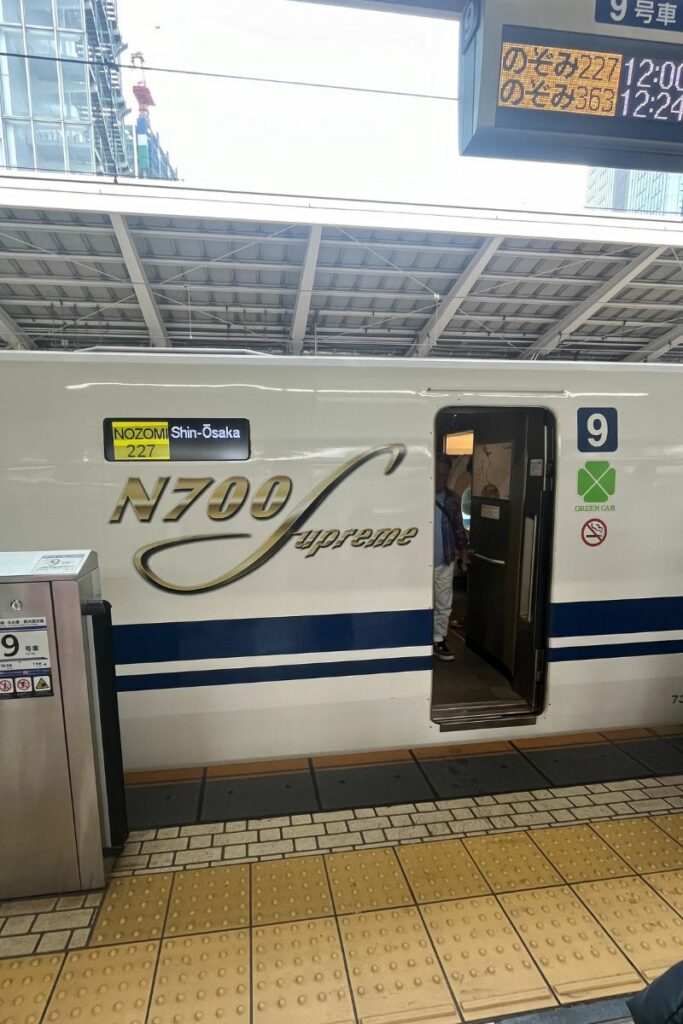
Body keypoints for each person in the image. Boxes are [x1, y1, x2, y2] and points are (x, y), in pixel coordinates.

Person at [434, 456, 469, 661]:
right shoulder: (417, 496)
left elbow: (457, 528)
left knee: (443, 603)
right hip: (419, 563)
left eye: (445, 474)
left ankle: (439, 639)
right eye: (438, 474)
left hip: (444, 560)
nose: (441, 478)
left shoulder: (452, 498)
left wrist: (463, 551)